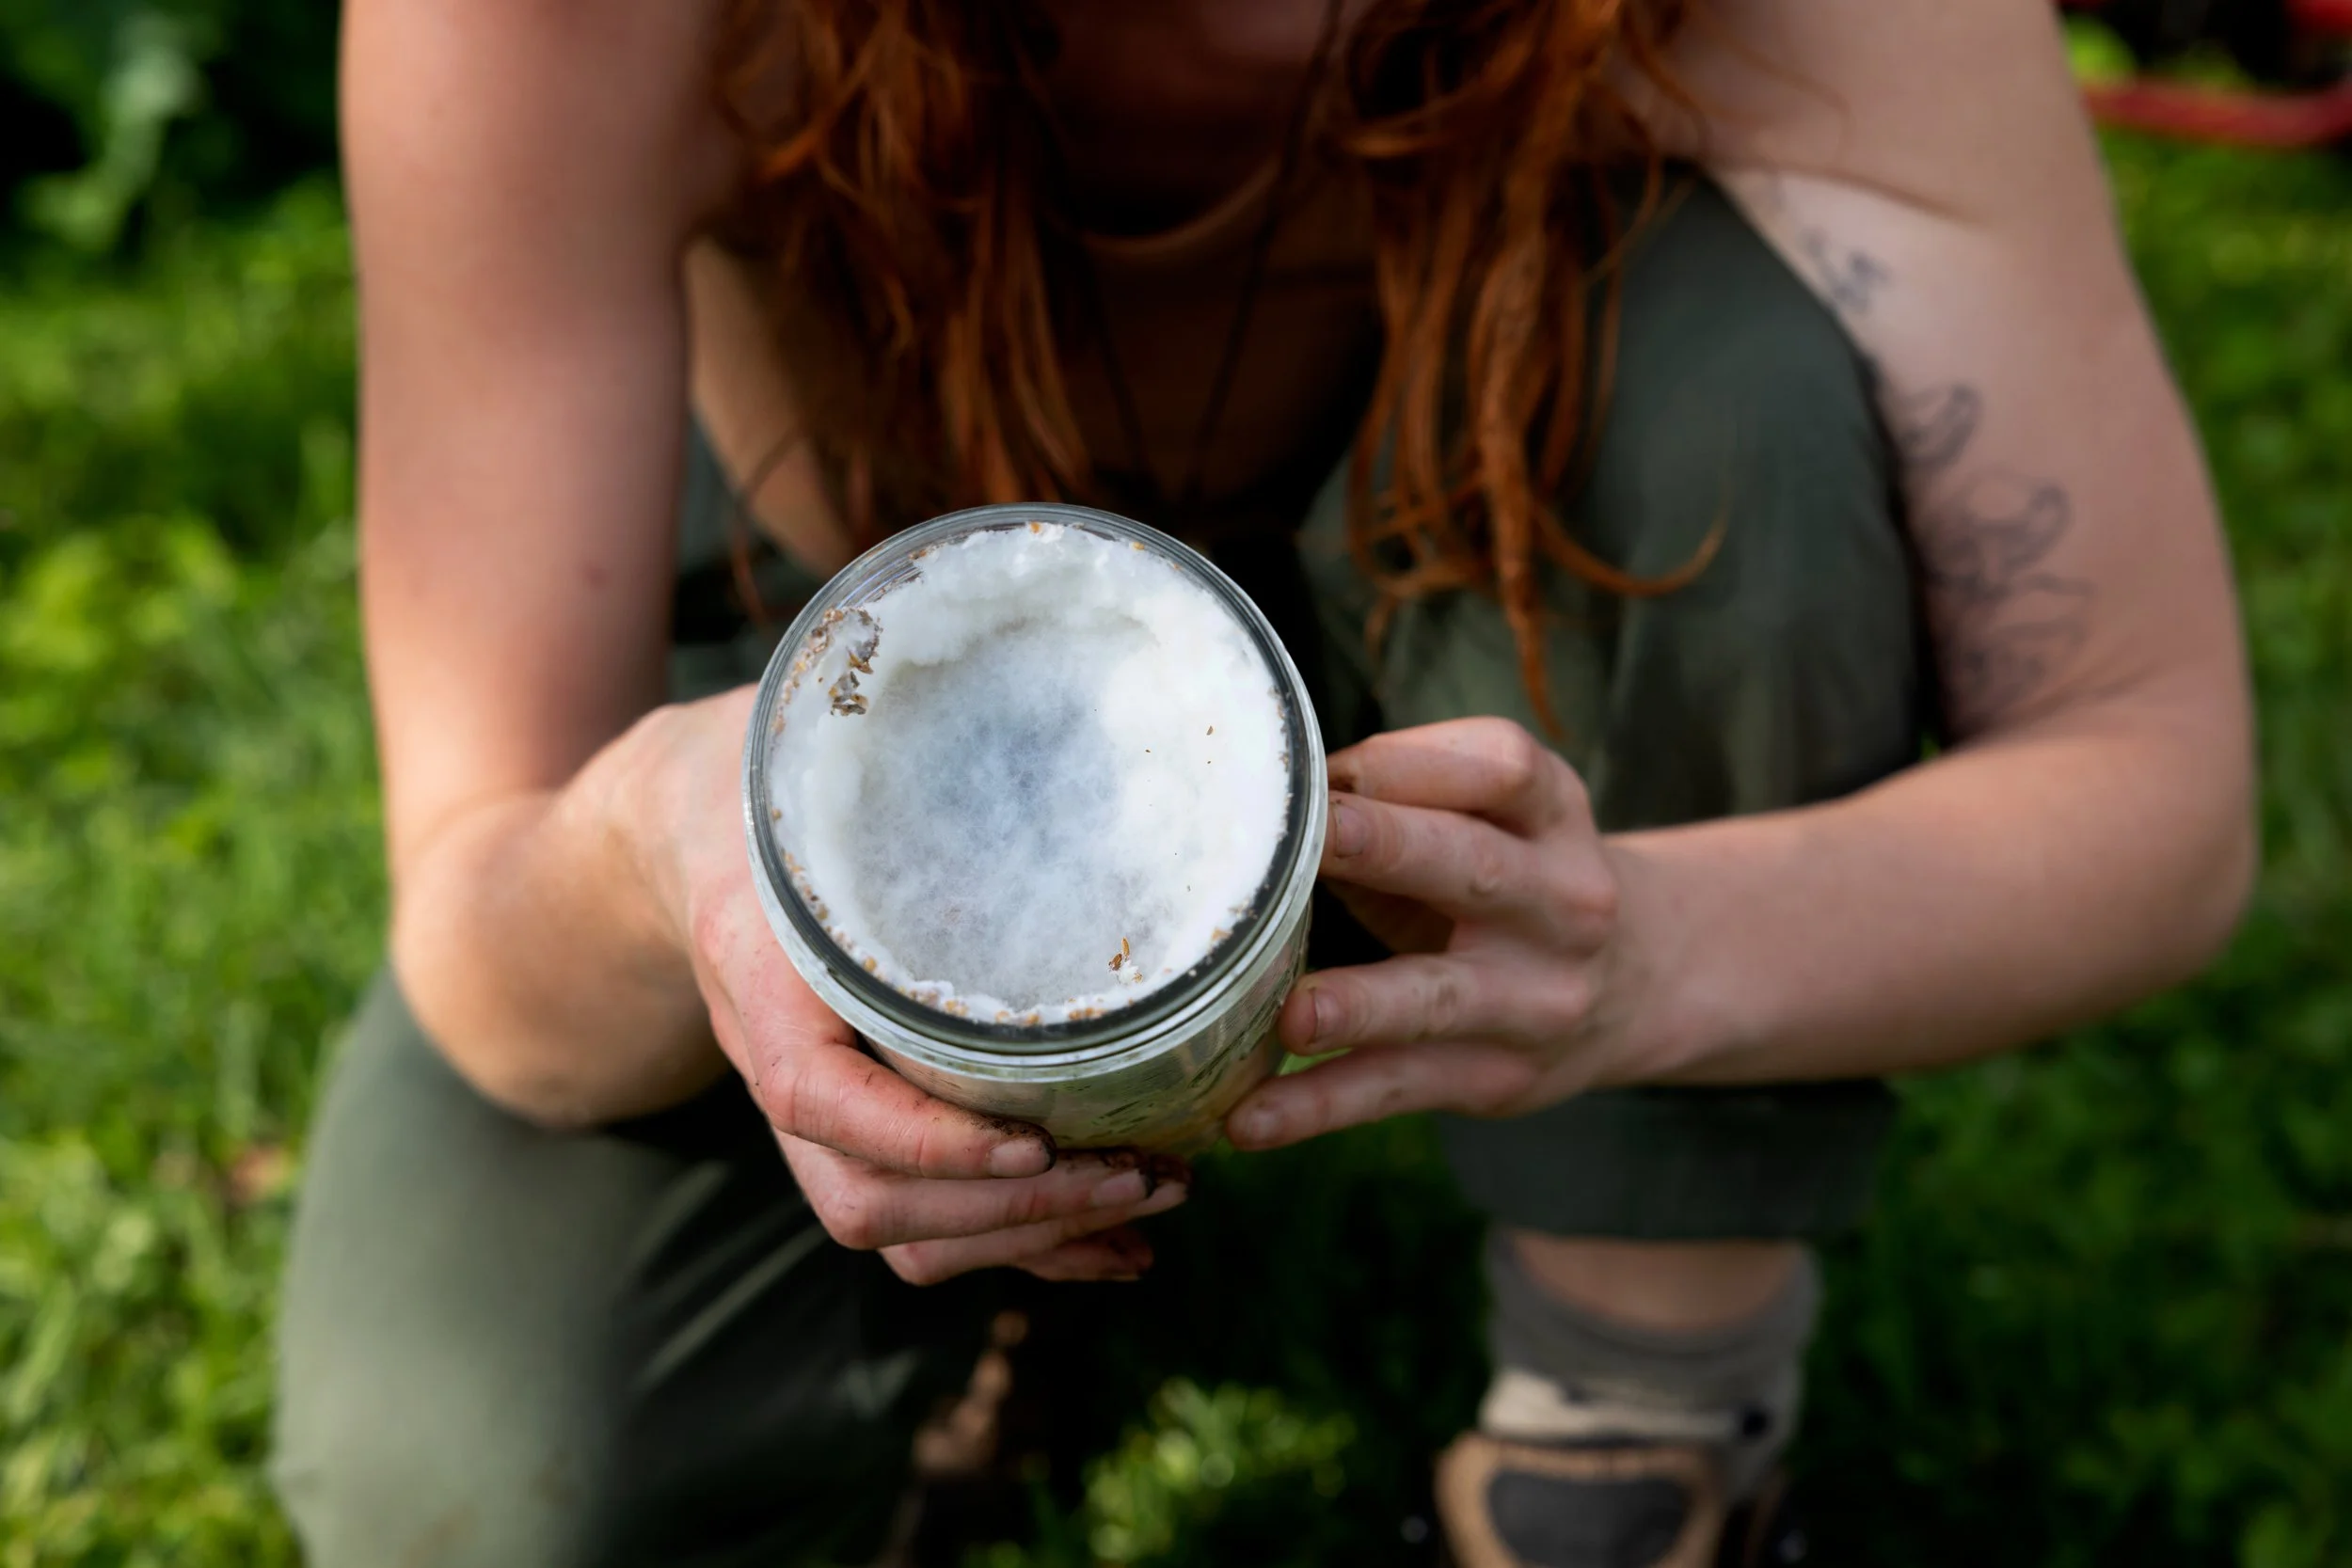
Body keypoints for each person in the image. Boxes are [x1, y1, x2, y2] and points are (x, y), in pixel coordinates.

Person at [269, 0, 2255, 1562]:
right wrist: (657, 840)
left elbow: (2154, 784)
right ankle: (982, 1246)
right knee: (477, 1478)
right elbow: (484, 920)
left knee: (1724, 379)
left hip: (1491, 560)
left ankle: (1632, 1426)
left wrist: (1643, 952)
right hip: (840, 637)